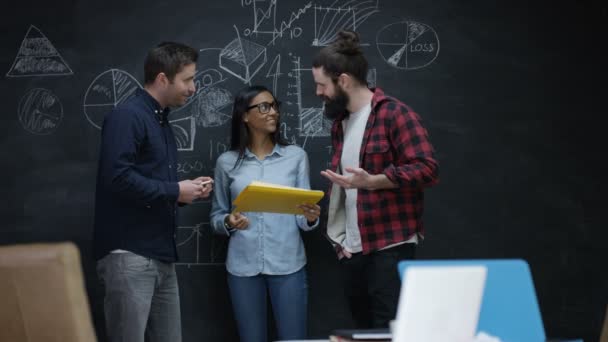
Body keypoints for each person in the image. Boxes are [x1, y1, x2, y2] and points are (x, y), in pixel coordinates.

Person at [312, 30, 439, 329]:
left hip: (389, 245)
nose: (318, 93)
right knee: (363, 330)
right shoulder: (340, 124)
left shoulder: (394, 114)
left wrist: (375, 181)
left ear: (343, 80)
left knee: (390, 328)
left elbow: (427, 169)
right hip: (352, 249)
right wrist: (340, 241)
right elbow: (349, 189)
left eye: (321, 85)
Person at [93, 42, 213, 342]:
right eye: (187, 79)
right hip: (129, 255)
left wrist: (188, 191)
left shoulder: (162, 123)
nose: (193, 88)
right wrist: (175, 190)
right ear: (163, 79)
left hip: (160, 257)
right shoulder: (128, 117)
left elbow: (149, 184)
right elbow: (117, 178)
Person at [210, 85, 321, 342]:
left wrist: (311, 217)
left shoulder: (296, 157)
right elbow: (216, 216)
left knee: (294, 339)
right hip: (242, 266)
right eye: (264, 107)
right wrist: (229, 221)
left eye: (274, 106)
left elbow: (302, 217)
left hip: (288, 263)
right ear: (245, 116)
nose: (273, 112)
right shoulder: (226, 163)